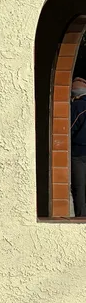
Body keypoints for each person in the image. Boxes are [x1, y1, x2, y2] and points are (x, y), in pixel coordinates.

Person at [71, 77, 86, 217]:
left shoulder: (77, 106)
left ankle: (81, 220)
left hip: (79, 153)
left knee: (79, 188)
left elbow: (69, 129)